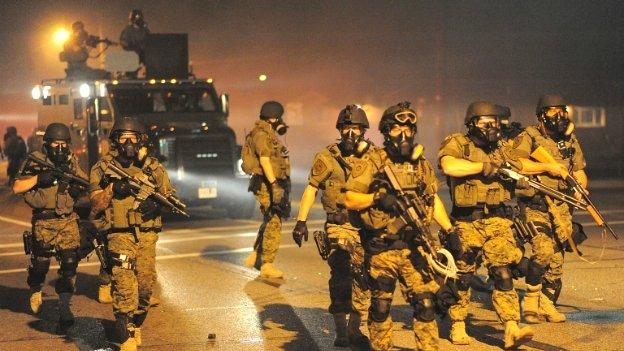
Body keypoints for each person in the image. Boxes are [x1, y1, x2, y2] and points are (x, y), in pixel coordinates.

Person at [344, 102, 457, 351]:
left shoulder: (420, 164)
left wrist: (449, 230)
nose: (403, 134)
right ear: (386, 131)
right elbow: (350, 199)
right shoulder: (372, 160)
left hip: (415, 247)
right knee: (381, 306)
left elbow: (433, 199)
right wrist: (377, 198)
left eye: (408, 129)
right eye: (396, 129)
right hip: (382, 246)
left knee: (426, 304)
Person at [438, 101, 534, 349]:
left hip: (498, 220)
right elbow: (449, 165)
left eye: (495, 122)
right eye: (485, 122)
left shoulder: (501, 148)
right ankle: (457, 324)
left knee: (503, 272)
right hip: (466, 220)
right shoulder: (458, 143)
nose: (492, 127)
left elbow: (522, 167)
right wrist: (483, 167)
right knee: (463, 276)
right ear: (472, 123)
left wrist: (521, 177)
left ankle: (511, 327)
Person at [89, 117, 174, 351]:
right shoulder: (103, 168)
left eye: (133, 138)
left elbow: (169, 198)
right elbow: (94, 204)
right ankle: (125, 333)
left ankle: (136, 323)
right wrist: (113, 188)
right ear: (115, 141)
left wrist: (156, 206)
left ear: (140, 141)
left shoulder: (154, 168)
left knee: (145, 287)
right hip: (119, 235)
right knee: (125, 285)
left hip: (146, 234)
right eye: (123, 138)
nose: (128, 142)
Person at [292, 104, 373, 347]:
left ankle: (354, 329)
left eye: (356, 129)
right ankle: (340, 331)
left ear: (364, 132)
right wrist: (301, 221)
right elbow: (311, 188)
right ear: (339, 129)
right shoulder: (327, 157)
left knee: (365, 277)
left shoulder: (373, 156)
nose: (351, 134)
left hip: (367, 226)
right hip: (339, 224)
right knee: (341, 273)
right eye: (346, 128)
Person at [512, 94, 586, 323]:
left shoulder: (570, 140)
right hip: (536, 204)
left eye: (562, 111)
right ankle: (531, 300)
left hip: (562, 205)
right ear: (542, 115)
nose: (559, 116)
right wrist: (548, 167)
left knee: (556, 261)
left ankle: (546, 302)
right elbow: (518, 163)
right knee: (542, 250)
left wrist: (580, 187)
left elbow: (580, 170)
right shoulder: (529, 136)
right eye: (553, 112)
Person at [12, 123, 88, 326]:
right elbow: (17, 187)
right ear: (47, 144)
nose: (60, 148)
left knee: (70, 263)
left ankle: (64, 306)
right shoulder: (35, 160)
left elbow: (85, 183)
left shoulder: (72, 162)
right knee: (40, 265)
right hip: (44, 220)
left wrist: (76, 190)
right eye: (56, 144)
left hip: (67, 219)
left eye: (64, 144)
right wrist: (39, 178)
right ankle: (36, 289)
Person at [242, 101, 291, 279]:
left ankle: (256, 254)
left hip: (268, 182)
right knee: (274, 220)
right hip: (265, 183)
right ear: (273, 117)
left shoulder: (266, 132)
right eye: (279, 117)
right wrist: (274, 184)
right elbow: (264, 160)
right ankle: (267, 264)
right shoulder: (262, 135)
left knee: (269, 218)